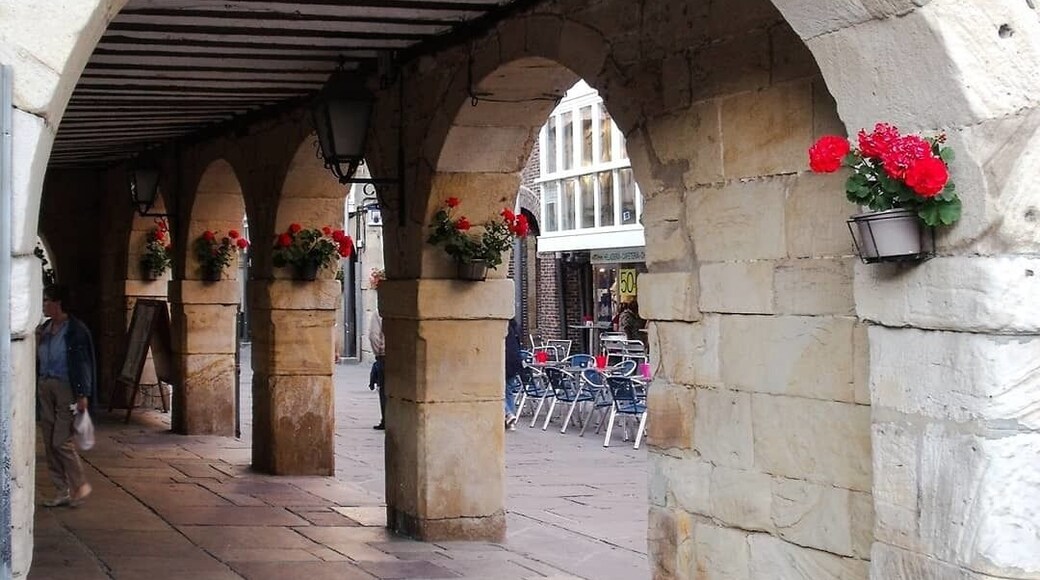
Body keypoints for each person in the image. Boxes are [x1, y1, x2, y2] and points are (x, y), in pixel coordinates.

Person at [36, 284, 94, 507]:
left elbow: (83, 363)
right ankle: (61, 490)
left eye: (47, 301)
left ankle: (79, 484)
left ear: (58, 304)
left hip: (65, 387)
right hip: (45, 384)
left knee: (61, 440)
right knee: (49, 440)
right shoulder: (46, 329)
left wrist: (82, 394)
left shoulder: (75, 331)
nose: (44, 305)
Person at [367, 269, 387, 430]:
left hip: (384, 356)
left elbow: (374, 335)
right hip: (399, 355)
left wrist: (379, 352)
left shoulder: (378, 313)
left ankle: (386, 419)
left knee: (384, 389)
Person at [504, 318, 522, 430]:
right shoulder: (515, 329)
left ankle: (508, 414)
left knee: (498, 392)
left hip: (505, 363)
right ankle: (511, 422)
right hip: (515, 363)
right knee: (509, 392)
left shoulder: (504, 330)